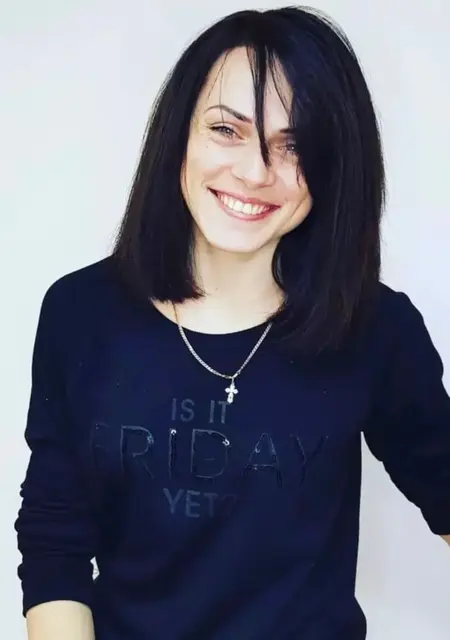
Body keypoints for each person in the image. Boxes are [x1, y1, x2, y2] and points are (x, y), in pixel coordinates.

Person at [15, 6, 450, 640]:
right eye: (227, 129)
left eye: (294, 145)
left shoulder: (375, 329)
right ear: (180, 136)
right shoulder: (81, 312)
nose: (255, 172)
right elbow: (55, 537)